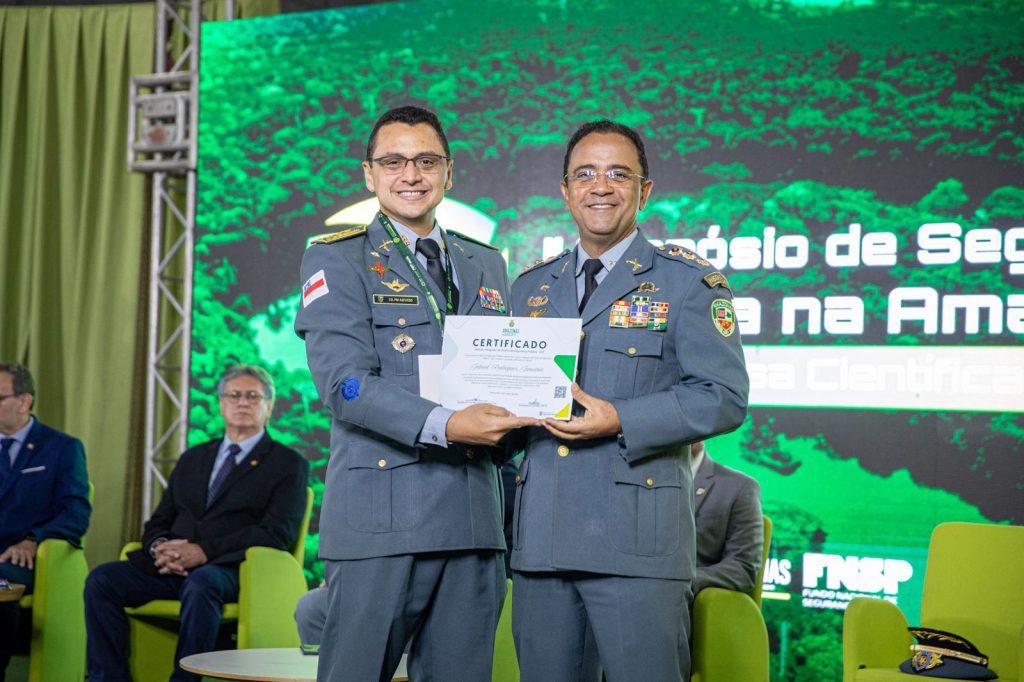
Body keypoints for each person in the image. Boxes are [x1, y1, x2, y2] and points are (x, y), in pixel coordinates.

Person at [294, 104, 533, 682]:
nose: (411, 175)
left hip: (474, 519)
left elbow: (502, 372)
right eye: (393, 162)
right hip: (382, 519)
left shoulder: (486, 262)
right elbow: (345, 385)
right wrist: (449, 424)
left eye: (427, 161)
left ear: (449, 172)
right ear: (368, 173)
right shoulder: (336, 257)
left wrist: (530, 409)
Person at [508, 119, 749, 682]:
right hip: (542, 541)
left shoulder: (688, 283)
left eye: (618, 174)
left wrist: (620, 418)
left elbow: (724, 397)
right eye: (585, 174)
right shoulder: (530, 287)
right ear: (565, 190)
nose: (601, 186)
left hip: (638, 544)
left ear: (644, 191)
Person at [84, 365, 309, 682]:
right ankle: (108, 678)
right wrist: (161, 547)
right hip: (175, 568)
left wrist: (203, 552)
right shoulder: (194, 457)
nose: (242, 402)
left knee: (202, 583)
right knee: (103, 579)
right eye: (234, 395)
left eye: (253, 396)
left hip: (234, 570)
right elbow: (160, 520)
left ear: (269, 406)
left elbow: (277, 533)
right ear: (221, 403)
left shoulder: (288, 464)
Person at [0, 362, 90, 680]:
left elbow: (75, 512)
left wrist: (34, 539)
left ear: (24, 401)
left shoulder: (62, 448)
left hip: (21, 560)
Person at [691, 440, 764, 594]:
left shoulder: (740, 487)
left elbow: (742, 568)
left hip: (688, 600)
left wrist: (681, 582)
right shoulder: (641, 480)